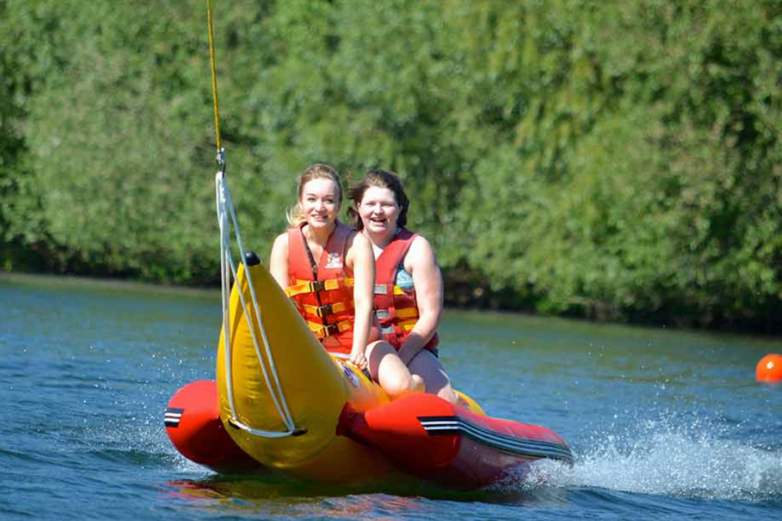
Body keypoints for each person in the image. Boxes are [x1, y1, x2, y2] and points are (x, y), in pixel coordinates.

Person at [269, 164, 423, 399]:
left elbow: (363, 304)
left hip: (364, 345)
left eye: (328, 201)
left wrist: (357, 354)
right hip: (311, 347)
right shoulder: (284, 245)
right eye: (312, 199)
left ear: (339, 206)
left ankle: (417, 383)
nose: (320, 208)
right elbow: (280, 309)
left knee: (400, 387)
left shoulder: (356, 244)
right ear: (301, 202)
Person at [348, 168, 461, 405]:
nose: (378, 211)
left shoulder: (416, 248)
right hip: (363, 348)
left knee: (445, 403)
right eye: (370, 204)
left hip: (411, 348)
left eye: (387, 205)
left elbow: (431, 314)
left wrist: (402, 356)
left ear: (400, 209)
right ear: (358, 207)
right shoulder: (346, 245)